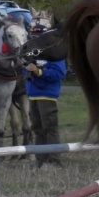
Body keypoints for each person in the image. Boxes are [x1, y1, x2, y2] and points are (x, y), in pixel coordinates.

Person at [25, 27, 67, 168]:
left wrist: (39, 71)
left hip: (47, 96)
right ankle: (40, 160)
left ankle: (54, 160)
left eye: (37, 36)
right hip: (33, 95)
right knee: (37, 129)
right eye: (32, 35)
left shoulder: (54, 53)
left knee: (49, 128)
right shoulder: (31, 52)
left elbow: (59, 74)